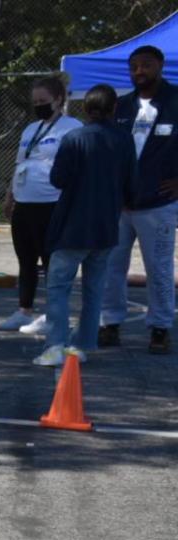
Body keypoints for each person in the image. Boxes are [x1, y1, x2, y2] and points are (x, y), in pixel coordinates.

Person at [33, 84, 137, 367]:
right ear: (114, 108)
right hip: (106, 226)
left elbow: (58, 179)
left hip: (73, 225)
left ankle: (56, 344)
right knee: (94, 288)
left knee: (59, 287)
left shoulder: (75, 138)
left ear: (86, 109)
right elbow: (131, 184)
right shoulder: (125, 140)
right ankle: (84, 343)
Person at [99, 45, 178, 355]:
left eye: (146, 65)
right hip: (118, 205)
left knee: (158, 269)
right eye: (134, 67)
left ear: (159, 66)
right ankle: (110, 323)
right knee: (109, 266)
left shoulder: (175, 102)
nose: (139, 72)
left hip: (158, 204)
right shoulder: (121, 107)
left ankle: (160, 328)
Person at [0, 76, 84, 335]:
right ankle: (24, 311)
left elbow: (78, 166)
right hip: (25, 203)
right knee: (25, 259)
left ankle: (53, 315)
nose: (39, 105)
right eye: (35, 102)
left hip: (53, 203)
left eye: (44, 101)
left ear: (59, 99)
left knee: (52, 263)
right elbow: (19, 165)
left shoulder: (72, 127)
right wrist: (10, 196)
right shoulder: (30, 129)